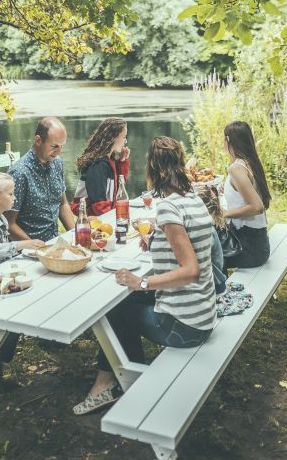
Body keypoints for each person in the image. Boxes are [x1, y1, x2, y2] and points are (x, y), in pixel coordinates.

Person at [73, 136, 216, 415]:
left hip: (184, 326)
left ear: (153, 167)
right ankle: (126, 375)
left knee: (113, 311)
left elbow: (190, 270)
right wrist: (155, 240)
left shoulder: (168, 207)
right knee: (126, 304)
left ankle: (117, 384)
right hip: (202, 314)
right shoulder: (193, 198)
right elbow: (188, 246)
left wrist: (142, 282)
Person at [6, 117, 76, 242]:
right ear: (38, 140)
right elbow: (8, 224)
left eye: (62, 146)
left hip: (53, 243)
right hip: (26, 252)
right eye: (55, 146)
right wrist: (36, 248)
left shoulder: (57, 163)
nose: (59, 152)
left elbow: (63, 204)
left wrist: (76, 235)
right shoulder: (19, 173)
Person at [221, 120, 271, 268]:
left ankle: (220, 291)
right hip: (258, 243)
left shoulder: (236, 168)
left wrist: (224, 214)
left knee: (208, 257)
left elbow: (257, 207)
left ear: (228, 140)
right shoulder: (251, 162)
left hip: (247, 247)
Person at [70, 117, 130, 217]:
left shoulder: (109, 160)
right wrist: (115, 218)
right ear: (113, 137)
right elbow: (99, 205)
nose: (126, 141)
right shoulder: (98, 165)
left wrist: (122, 161)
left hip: (103, 216)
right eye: (124, 137)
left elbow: (120, 186)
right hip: (92, 220)